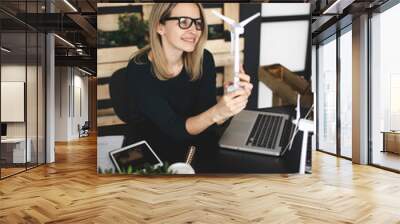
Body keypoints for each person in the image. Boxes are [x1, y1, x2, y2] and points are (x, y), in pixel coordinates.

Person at [126, 3, 253, 169]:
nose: (194, 30)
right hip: (157, 158)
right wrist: (217, 112)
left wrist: (228, 105)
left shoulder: (203, 59)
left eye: (198, 23)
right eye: (184, 22)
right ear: (160, 27)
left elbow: (208, 119)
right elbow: (175, 129)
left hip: (196, 150)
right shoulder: (139, 70)